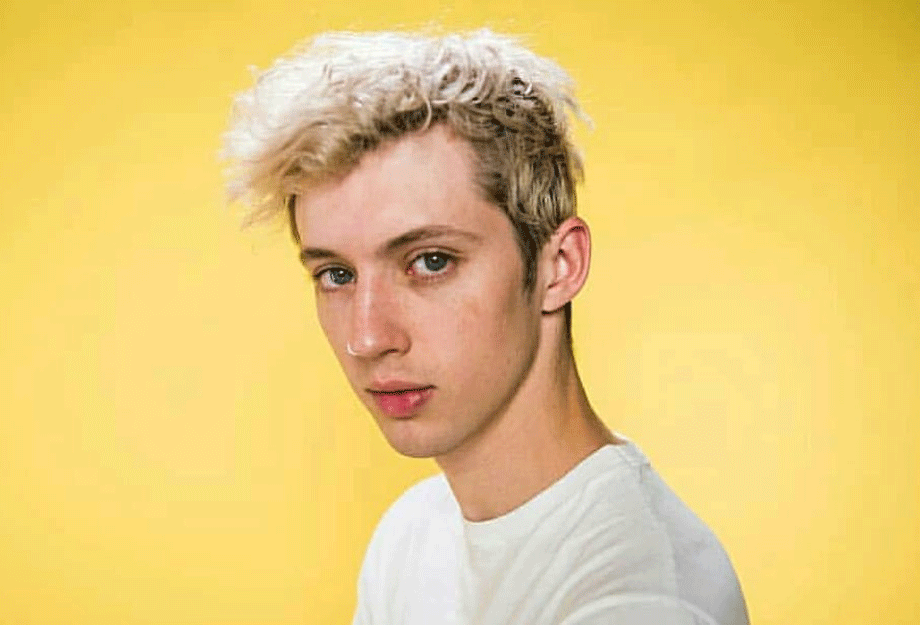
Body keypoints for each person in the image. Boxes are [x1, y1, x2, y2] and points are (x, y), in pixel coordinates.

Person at [223, 29, 749, 625]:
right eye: (337, 275)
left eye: (430, 262)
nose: (367, 338)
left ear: (559, 266)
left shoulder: (641, 600)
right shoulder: (412, 535)